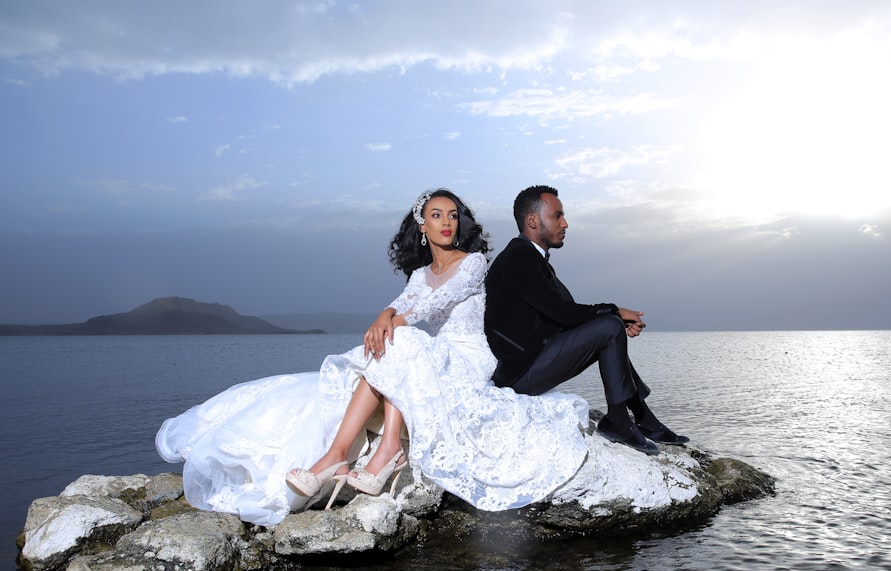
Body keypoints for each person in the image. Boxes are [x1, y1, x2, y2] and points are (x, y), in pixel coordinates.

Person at [156, 189, 589, 526]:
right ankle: (337, 454)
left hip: (470, 359)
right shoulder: (421, 273)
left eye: (452, 215)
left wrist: (390, 319)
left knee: (404, 341)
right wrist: (386, 315)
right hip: (429, 353)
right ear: (422, 225)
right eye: (436, 215)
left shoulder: (473, 263)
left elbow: (432, 306)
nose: (446, 222)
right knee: (397, 344)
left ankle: (383, 454)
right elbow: (407, 301)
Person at [484, 184, 688, 455]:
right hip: (521, 373)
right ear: (532, 220)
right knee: (608, 326)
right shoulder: (518, 259)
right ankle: (619, 420)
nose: (565, 223)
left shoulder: (531, 257)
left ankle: (642, 418)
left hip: (534, 359)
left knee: (609, 327)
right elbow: (563, 314)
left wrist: (616, 318)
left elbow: (563, 313)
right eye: (557, 216)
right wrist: (615, 311)